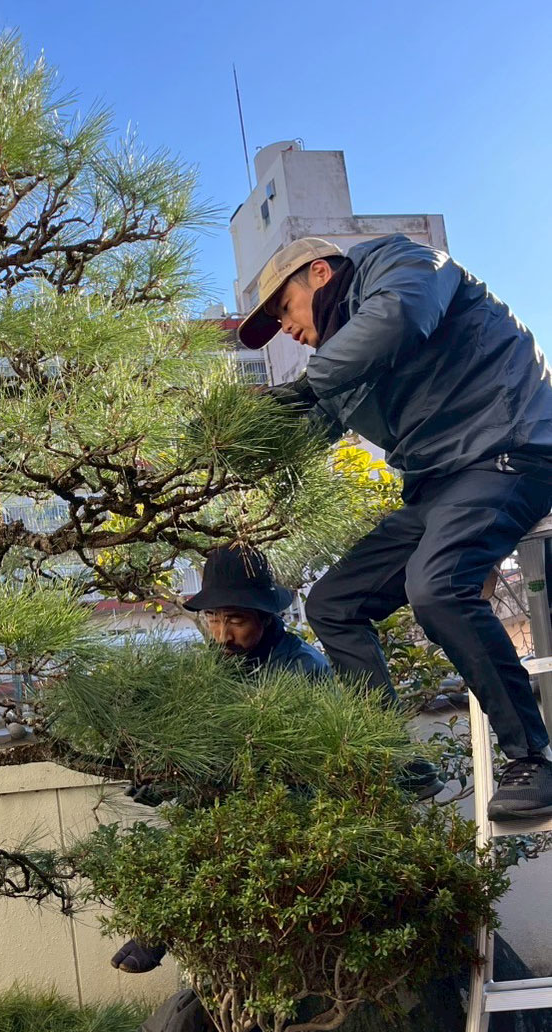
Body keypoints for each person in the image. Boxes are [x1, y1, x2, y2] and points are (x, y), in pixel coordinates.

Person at [238, 234, 552, 823]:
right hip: (439, 486)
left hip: (507, 449)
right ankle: (389, 756)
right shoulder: (342, 362)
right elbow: (312, 428)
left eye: (283, 308)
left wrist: (303, 387)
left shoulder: (400, 263)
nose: (284, 328)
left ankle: (532, 759)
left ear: (321, 275)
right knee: (334, 604)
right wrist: (233, 447)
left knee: (437, 587)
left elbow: (401, 314)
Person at [112, 543, 331, 974]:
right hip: (227, 800)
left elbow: (295, 765)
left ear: (266, 617)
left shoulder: (302, 668)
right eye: (214, 618)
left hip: (293, 808)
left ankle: (161, 927)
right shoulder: (217, 664)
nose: (222, 634)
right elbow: (198, 740)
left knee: (213, 836)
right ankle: (161, 924)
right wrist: (165, 771)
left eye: (236, 620)